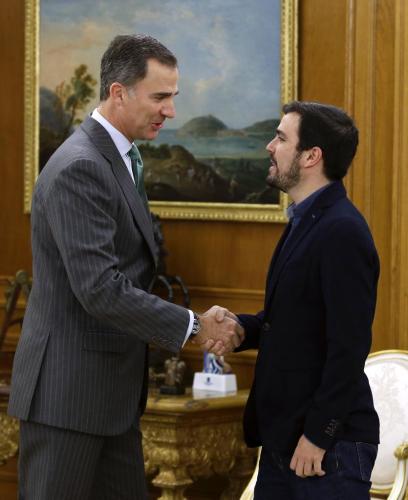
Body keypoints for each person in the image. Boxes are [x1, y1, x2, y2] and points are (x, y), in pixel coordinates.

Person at [8, 34, 243, 500]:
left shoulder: (119, 159)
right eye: (160, 97)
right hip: (68, 401)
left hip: (110, 401)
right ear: (118, 92)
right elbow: (99, 288)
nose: (170, 111)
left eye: (173, 97)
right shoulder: (80, 166)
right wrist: (196, 326)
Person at [215, 101, 380, 499]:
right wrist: (239, 328)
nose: (270, 147)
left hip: (326, 449)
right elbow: (291, 322)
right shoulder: (305, 220)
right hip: (285, 440)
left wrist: (319, 434)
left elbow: (349, 346)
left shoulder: (343, 231)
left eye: (281, 138)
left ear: (311, 156)